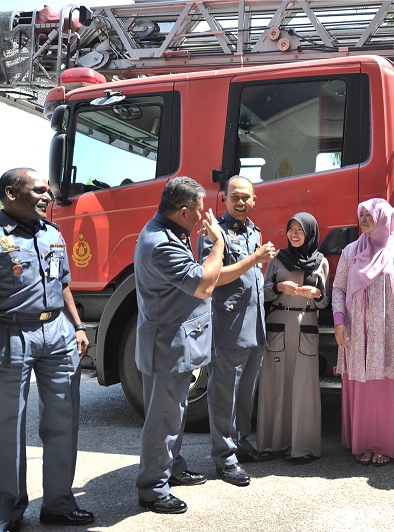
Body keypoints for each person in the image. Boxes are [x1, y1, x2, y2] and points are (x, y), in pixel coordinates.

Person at [0, 168, 94, 532]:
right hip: (9, 336)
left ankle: (59, 503)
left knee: (64, 420)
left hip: (56, 333)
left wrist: (76, 325)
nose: (47, 197)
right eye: (39, 191)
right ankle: (10, 513)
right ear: (12, 194)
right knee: (7, 427)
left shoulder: (52, 233)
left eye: (48, 191)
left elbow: (62, 284)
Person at [134, 177, 224, 514]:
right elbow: (203, 285)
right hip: (167, 347)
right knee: (162, 419)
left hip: (177, 343)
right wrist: (218, 245)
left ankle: (170, 466)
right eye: (199, 210)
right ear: (183, 211)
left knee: (176, 413)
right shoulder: (161, 243)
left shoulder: (171, 232)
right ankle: (153, 489)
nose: (203, 216)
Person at [198, 175, 276, 486]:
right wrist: (255, 258)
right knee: (224, 393)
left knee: (246, 392)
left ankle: (240, 444)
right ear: (225, 199)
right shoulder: (214, 231)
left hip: (254, 324)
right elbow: (212, 277)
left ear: (254, 200)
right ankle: (224, 458)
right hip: (229, 324)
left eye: (246, 197)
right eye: (235, 197)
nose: (241, 202)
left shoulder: (253, 230)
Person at [332, 198, 394, 466]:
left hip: (388, 334)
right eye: (362, 214)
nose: (364, 219)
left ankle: (384, 444)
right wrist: (338, 322)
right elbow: (338, 288)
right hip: (357, 333)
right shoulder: (350, 252)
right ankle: (363, 442)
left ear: (383, 217)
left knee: (385, 388)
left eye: (370, 215)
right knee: (362, 387)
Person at [256, 213, 329, 464]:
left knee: (304, 388)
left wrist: (316, 293)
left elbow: (325, 302)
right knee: (275, 386)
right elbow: (263, 293)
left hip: (306, 325)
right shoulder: (277, 261)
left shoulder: (321, 262)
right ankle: (273, 444)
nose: (295, 234)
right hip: (278, 325)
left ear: (310, 232)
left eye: (300, 229)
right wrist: (278, 288)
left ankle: (302, 448)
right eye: (291, 229)